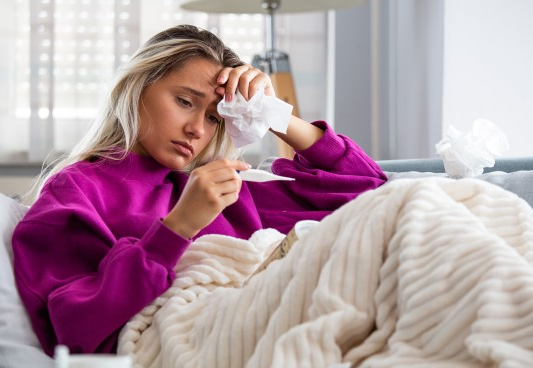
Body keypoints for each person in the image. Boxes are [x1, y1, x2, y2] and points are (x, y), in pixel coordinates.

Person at [12, 24, 387, 356]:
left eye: (212, 117)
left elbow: (370, 194)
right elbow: (73, 329)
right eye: (184, 102)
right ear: (137, 87)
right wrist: (178, 228)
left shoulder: (221, 187)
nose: (197, 129)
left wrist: (276, 116)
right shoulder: (78, 189)